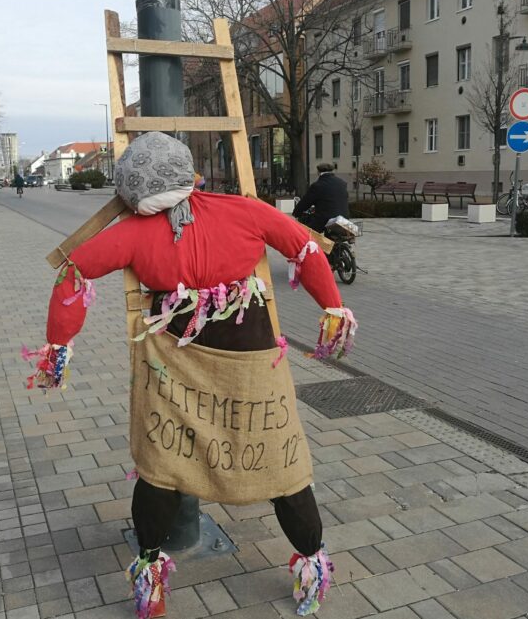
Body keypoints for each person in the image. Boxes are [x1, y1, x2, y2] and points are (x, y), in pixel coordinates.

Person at [25, 132, 355, 619]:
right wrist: (332, 308)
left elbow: (73, 272)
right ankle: (310, 570)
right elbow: (304, 249)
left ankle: (151, 584)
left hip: (174, 374)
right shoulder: (243, 210)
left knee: (162, 470)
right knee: (282, 470)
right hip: (253, 372)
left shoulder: (133, 232)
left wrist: (58, 347)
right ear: (189, 173)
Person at [292, 163, 350, 234]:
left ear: (318, 172)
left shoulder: (317, 185)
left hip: (325, 219)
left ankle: (312, 244)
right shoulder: (342, 183)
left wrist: (296, 213)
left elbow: (305, 202)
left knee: (306, 229)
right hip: (344, 218)